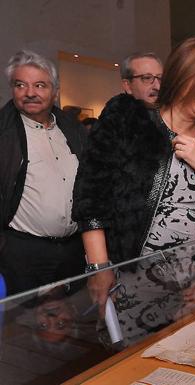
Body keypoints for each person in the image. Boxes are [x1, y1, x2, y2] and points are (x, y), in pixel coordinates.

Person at [72, 37, 195, 307]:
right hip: (130, 284)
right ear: (182, 74)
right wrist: (99, 268)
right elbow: (90, 198)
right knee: (130, 351)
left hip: (189, 289)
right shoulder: (127, 119)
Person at [0, 50, 87, 293]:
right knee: (22, 323)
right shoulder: (3, 133)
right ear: (12, 89)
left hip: (73, 250)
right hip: (23, 253)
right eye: (21, 85)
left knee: (74, 321)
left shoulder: (73, 130)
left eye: (40, 85)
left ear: (55, 91)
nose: (30, 93)